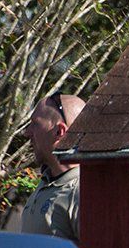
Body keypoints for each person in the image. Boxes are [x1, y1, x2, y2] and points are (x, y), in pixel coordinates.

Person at [20, 93, 86, 240]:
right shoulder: (45, 182)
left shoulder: (81, 192)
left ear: (59, 132)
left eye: (35, 124)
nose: (27, 132)